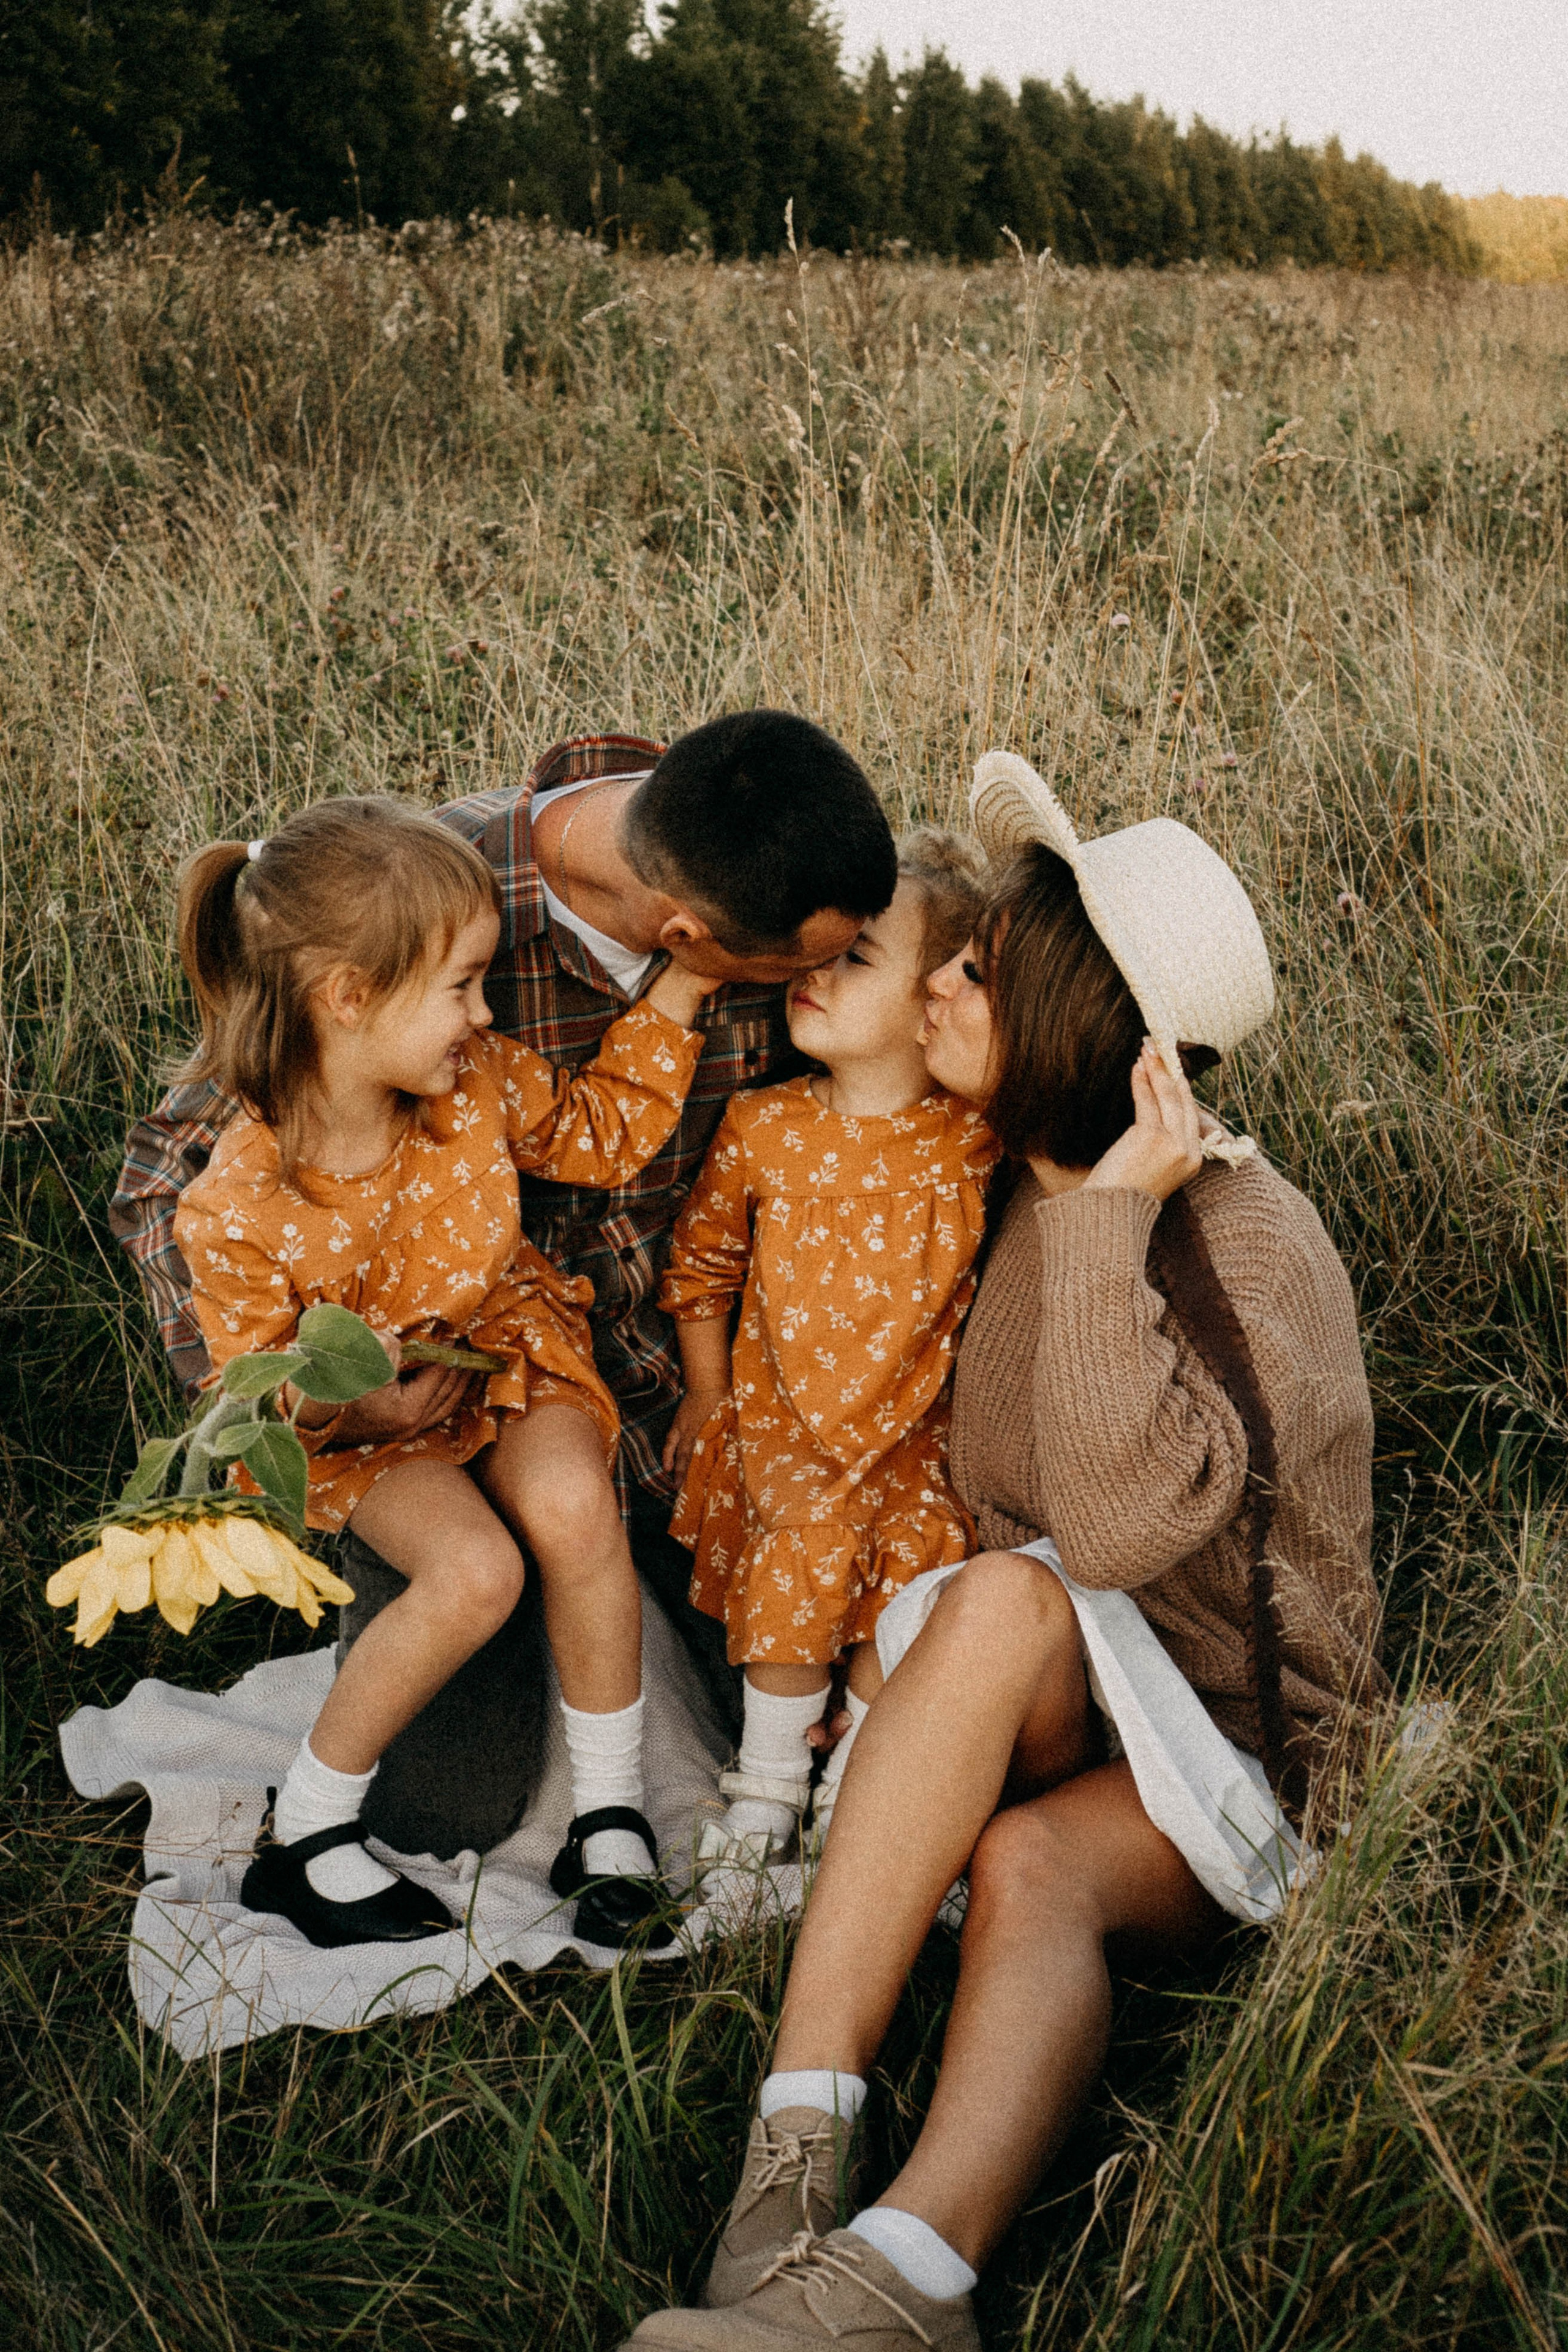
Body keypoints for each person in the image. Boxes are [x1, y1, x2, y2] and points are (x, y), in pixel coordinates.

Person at [621, 752, 1390, 2351]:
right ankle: (801, 2164)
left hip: (1260, 1748)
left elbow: (1107, 1531)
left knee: (1029, 1827)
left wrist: (1115, 1222)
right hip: (1083, 1676)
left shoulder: (1236, 1247)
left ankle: (904, 2278)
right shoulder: (1019, 1186)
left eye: (985, 967)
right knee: (991, 1635)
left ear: (1076, 1021)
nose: (951, 978)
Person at [109, 714, 897, 1861]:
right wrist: (323, 1403)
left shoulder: (757, 852)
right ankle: (330, 1820)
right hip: (404, 1417)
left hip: (625, 1381)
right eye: (793, 972)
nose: (823, 985)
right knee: (444, 1810)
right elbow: (165, 1189)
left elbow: (612, 1128)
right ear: (692, 940)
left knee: (774, 1694)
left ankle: (613, 1810)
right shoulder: (415, 913)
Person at [174, 794, 724, 1949]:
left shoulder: (472, 1086)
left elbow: (596, 1133)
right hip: (369, 1431)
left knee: (578, 1507)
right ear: (348, 1000)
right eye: (463, 987)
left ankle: (610, 1815)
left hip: (508, 1349)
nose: (485, 1014)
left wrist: (677, 992)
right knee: (474, 1574)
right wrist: (355, 1400)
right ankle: (310, 1834)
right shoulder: (239, 1201)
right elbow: (250, 1397)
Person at [658, 830, 997, 1864]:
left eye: (858, 959)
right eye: (819, 950)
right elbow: (702, 1264)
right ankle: (763, 1793)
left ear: (931, 1001)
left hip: (909, 1442)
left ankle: (854, 1801)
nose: (816, 973)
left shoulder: (972, 1135)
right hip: (785, 1434)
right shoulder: (765, 1126)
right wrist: (706, 1393)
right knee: (794, 1582)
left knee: (909, 1601)